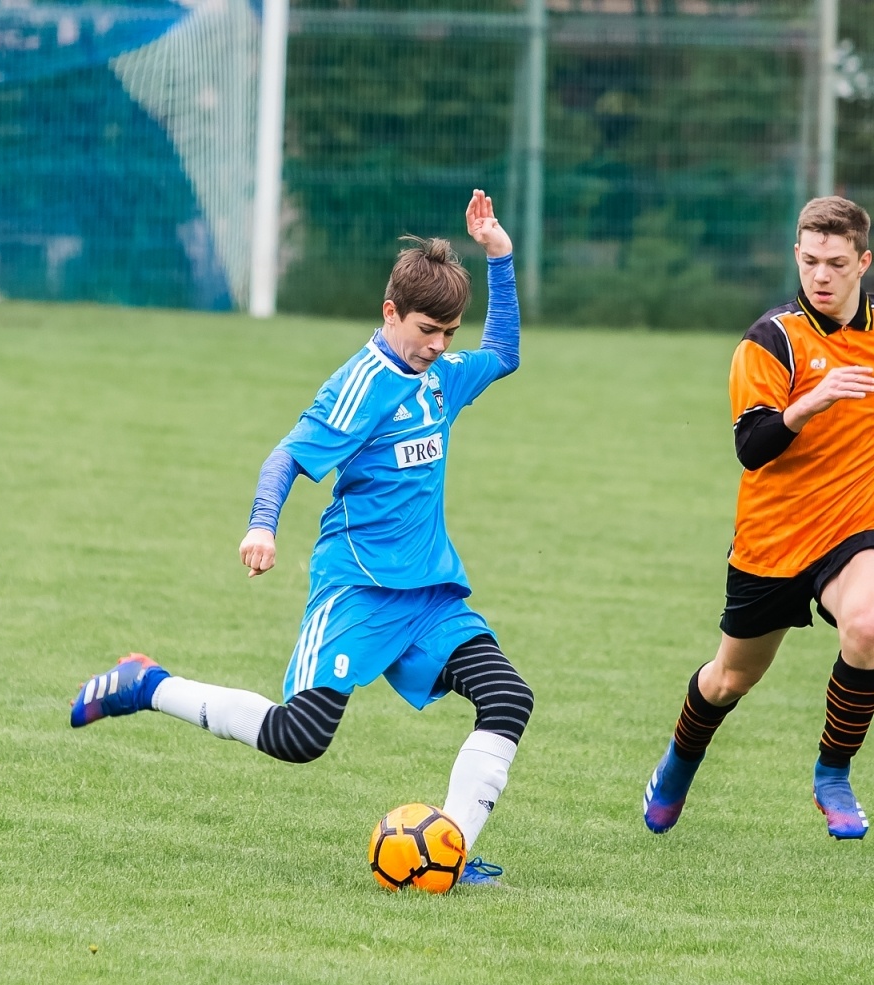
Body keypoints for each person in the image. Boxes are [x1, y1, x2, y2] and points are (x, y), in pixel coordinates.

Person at [70, 192, 531, 885]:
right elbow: (286, 456)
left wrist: (500, 256)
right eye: (429, 330)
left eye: (448, 332)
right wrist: (262, 524)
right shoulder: (360, 385)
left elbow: (502, 353)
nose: (440, 346)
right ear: (390, 314)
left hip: (430, 594)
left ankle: (451, 853)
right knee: (299, 738)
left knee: (508, 698)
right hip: (358, 588)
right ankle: (147, 684)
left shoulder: (440, 380)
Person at [642, 196, 874, 840]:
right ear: (797, 255)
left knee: (867, 627)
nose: (821, 275)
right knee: (730, 677)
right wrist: (808, 404)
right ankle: (680, 761)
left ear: (863, 262)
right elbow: (752, 449)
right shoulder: (771, 341)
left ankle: (833, 772)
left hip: (860, 522)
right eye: (811, 260)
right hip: (773, 540)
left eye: (837, 263)